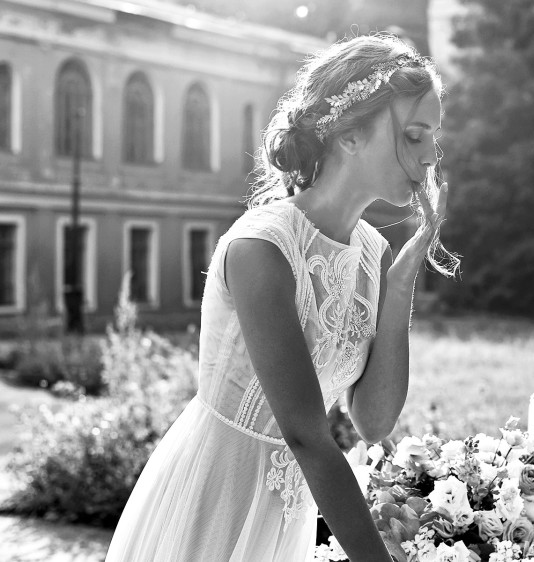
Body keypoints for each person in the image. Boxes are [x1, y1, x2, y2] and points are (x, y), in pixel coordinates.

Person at [105, 34, 457, 561]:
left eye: (433, 137)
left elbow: (373, 422)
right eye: (413, 135)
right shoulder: (262, 249)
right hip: (212, 502)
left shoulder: (374, 255)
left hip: (286, 517)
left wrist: (401, 285)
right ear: (349, 135)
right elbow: (306, 436)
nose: (430, 156)